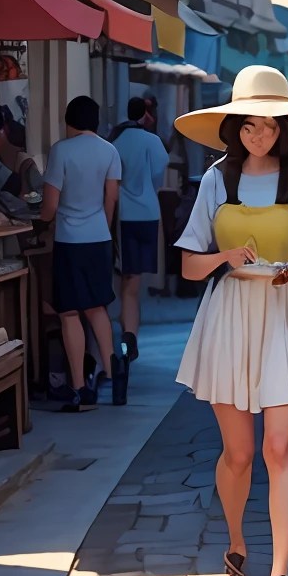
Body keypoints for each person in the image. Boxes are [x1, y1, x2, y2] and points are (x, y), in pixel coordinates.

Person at [172, 66, 288, 576]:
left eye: (268, 126)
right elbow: (189, 266)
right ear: (234, 127)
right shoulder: (215, 180)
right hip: (229, 318)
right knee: (240, 452)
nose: (258, 135)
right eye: (248, 126)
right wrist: (226, 257)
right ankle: (236, 545)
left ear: (285, 127)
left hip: (286, 317)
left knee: (279, 449)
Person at [41, 95, 123, 411]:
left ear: (68, 120)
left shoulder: (61, 150)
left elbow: (49, 205)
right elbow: (111, 198)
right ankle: (113, 371)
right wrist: (102, 227)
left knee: (69, 313)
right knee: (97, 307)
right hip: (99, 238)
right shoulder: (109, 151)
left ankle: (78, 387)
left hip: (69, 240)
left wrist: (41, 219)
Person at [112, 95, 170, 361]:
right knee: (135, 284)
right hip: (148, 213)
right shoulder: (152, 141)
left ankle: (127, 335)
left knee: (125, 280)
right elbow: (159, 174)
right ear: (146, 113)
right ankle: (130, 336)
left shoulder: (114, 141)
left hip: (122, 214)